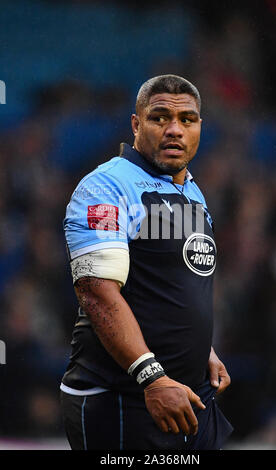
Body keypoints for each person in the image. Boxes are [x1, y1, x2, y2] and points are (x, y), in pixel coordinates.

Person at [60, 74, 233, 450]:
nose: (175, 130)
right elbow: (96, 293)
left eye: (187, 119)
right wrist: (151, 378)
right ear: (137, 124)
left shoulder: (189, 189)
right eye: (160, 118)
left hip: (188, 396)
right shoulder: (105, 187)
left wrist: (202, 349)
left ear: (200, 126)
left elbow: (172, 282)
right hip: (126, 398)